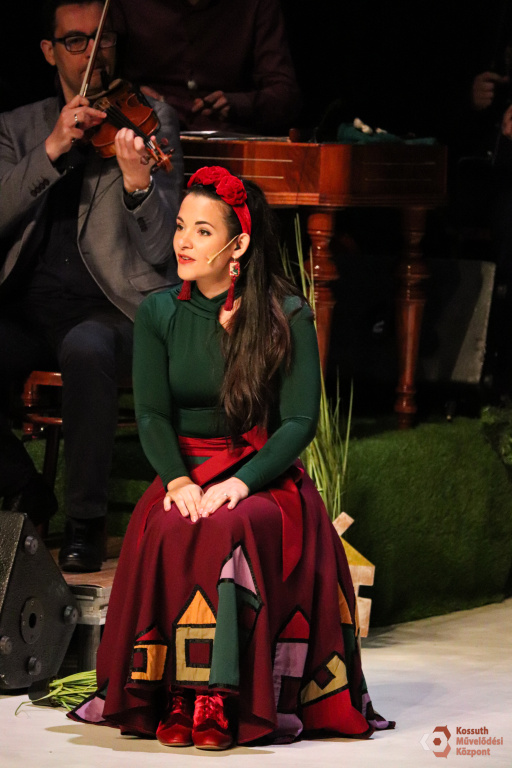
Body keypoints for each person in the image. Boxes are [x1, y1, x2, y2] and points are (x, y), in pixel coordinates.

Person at [69, 166, 393, 748]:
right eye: (180, 227)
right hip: (187, 468)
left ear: (237, 246)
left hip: (261, 472)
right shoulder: (159, 313)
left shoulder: (285, 312)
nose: (183, 242)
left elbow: (299, 422)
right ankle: (174, 693)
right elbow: (152, 415)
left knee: (231, 524)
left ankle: (222, 698)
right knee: (172, 522)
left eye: (202, 231)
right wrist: (177, 481)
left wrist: (242, 483)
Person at [0, 0, 184, 572]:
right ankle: (25, 488)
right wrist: (51, 149)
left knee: (86, 346)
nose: (92, 53)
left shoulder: (150, 118)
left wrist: (138, 186)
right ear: (49, 51)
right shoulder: (19, 127)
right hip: (29, 304)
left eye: (101, 40)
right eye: (76, 41)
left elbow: (164, 251)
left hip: (110, 305)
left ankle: (85, 523)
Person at [109, 0, 302, 134]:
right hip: (147, 139)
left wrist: (239, 104)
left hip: (231, 145)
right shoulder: (128, 5)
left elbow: (285, 96)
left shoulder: (256, 5)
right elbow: (103, 79)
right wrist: (138, 96)